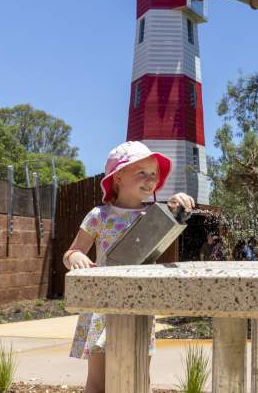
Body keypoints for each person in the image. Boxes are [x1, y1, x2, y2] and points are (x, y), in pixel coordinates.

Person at [62, 141, 195, 393]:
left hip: (139, 305)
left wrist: (178, 205)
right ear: (119, 176)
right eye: (141, 172)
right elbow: (70, 252)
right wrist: (76, 257)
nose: (149, 179)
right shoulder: (99, 216)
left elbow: (175, 216)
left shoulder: (153, 218)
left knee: (138, 378)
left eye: (153, 174)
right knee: (99, 382)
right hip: (103, 306)